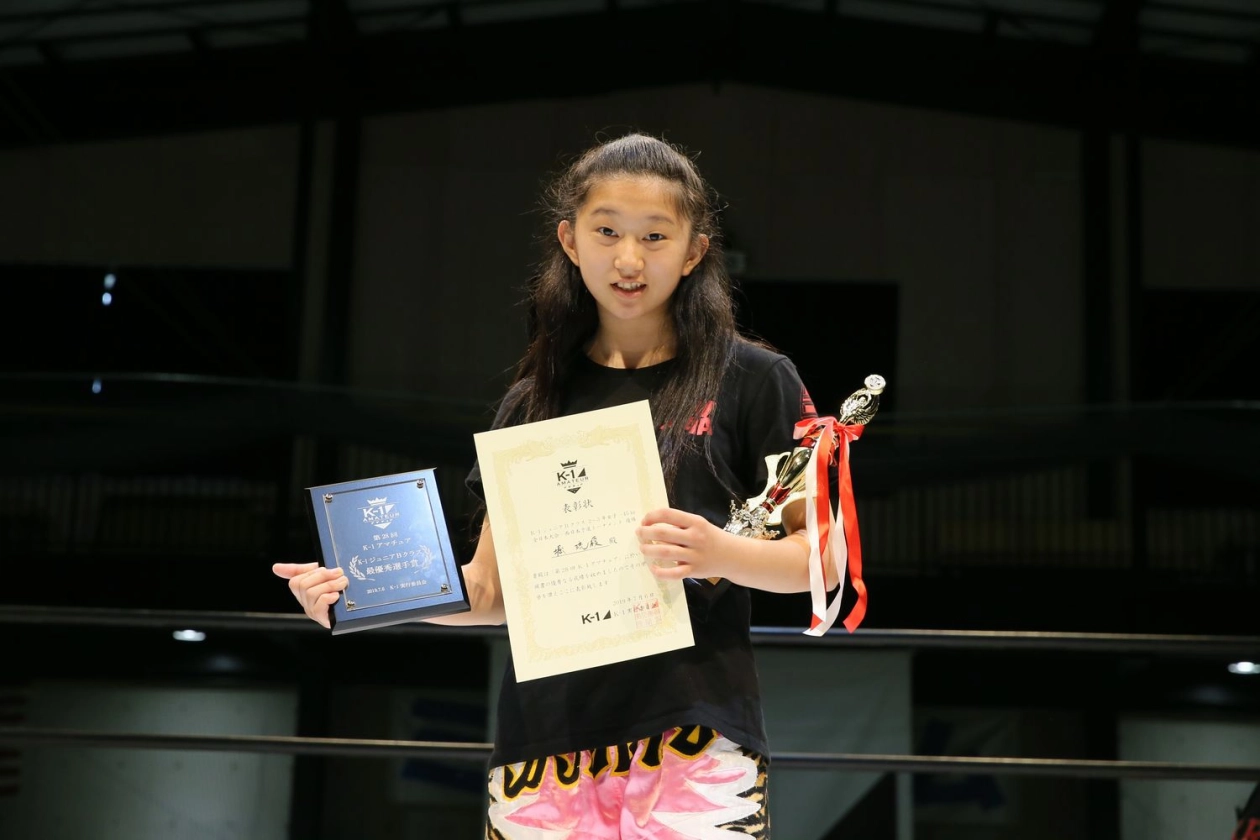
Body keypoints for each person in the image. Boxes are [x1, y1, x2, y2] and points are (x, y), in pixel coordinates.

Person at [273, 131, 850, 839]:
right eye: (606, 232)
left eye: (655, 236)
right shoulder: (534, 399)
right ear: (570, 240)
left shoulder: (755, 380)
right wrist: (365, 589)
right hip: (542, 749)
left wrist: (717, 553)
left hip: (695, 740)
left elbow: (822, 560)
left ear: (694, 251)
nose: (629, 259)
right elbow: (491, 591)